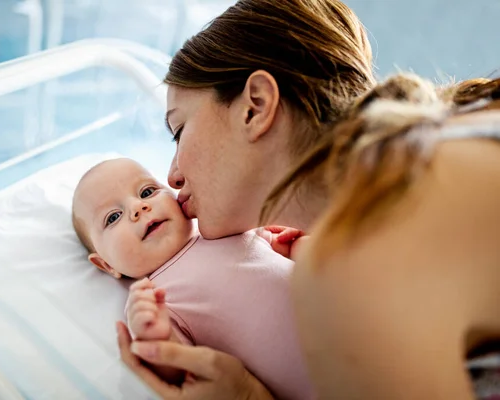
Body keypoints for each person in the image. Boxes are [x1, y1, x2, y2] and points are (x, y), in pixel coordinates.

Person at [120, 72, 500, 399]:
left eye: (179, 131)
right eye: (113, 217)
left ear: (255, 106)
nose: (170, 177)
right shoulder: (465, 126)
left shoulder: (353, 261)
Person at [71, 158, 312, 399]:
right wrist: (155, 336)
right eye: (113, 217)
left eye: (147, 192)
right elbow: (177, 370)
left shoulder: (220, 227)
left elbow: (290, 250)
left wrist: (306, 241)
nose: (138, 208)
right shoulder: (154, 299)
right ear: (106, 264)